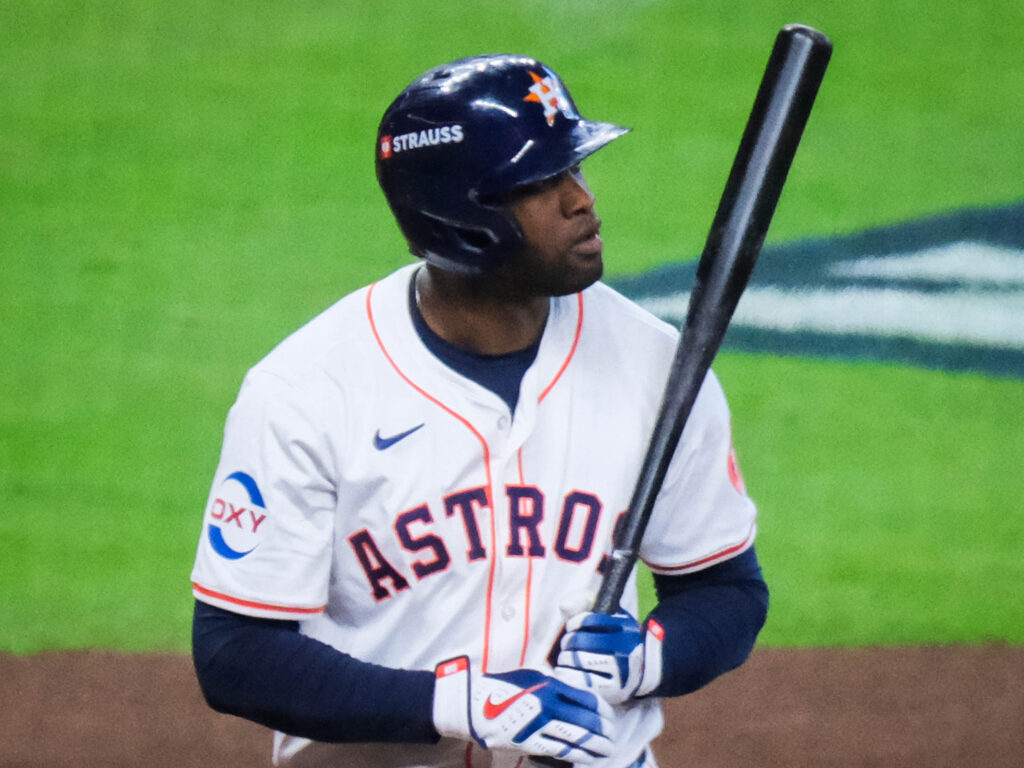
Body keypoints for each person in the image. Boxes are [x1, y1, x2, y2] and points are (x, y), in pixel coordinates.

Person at [190, 53, 769, 768]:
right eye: (540, 184)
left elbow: (725, 590)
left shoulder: (657, 367)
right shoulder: (309, 390)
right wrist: (456, 704)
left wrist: (651, 658)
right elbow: (235, 653)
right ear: (461, 219)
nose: (581, 201)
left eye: (576, 171)